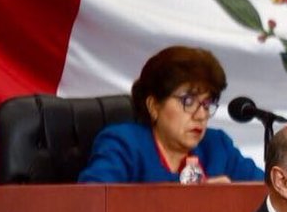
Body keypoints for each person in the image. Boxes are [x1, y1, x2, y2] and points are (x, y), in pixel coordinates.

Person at [78, 45, 264, 183]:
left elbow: (264, 192)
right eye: (188, 101)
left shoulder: (217, 146)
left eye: (206, 104)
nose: (201, 115)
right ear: (153, 106)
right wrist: (198, 198)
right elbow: (93, 203)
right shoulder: (124, 144)